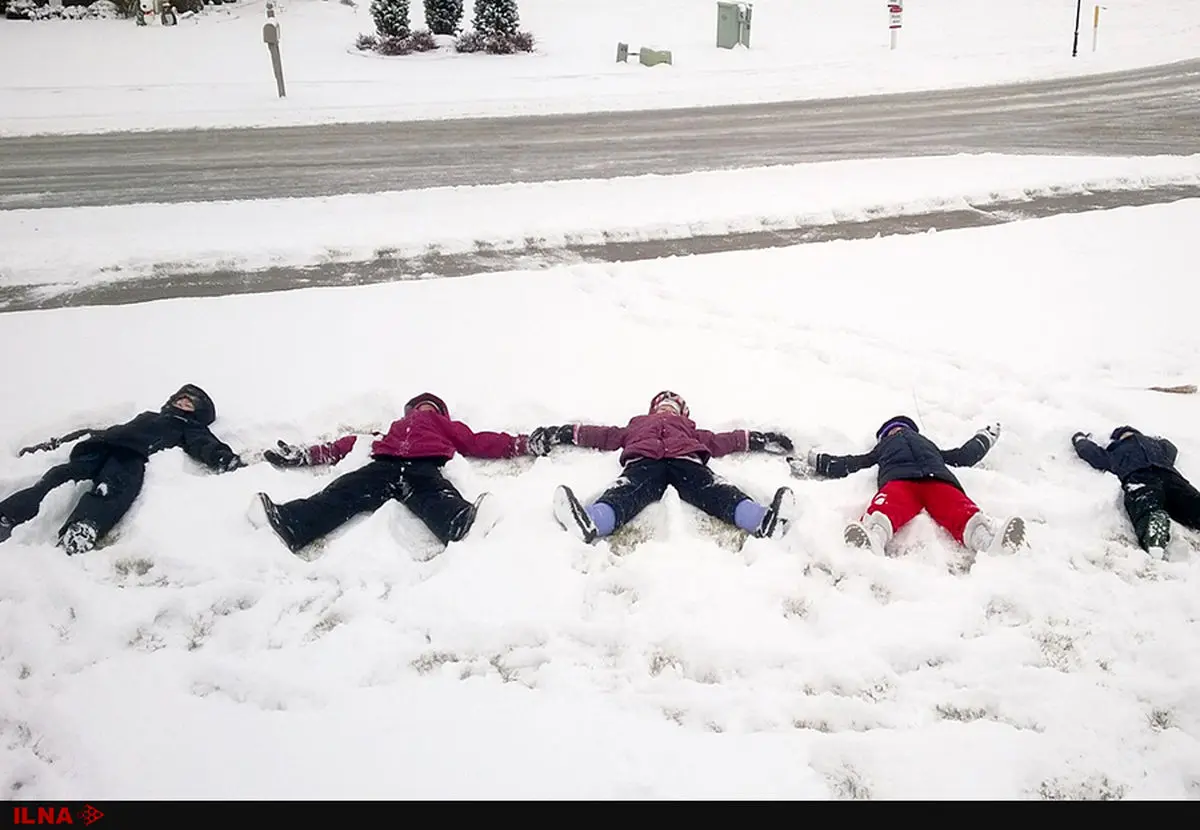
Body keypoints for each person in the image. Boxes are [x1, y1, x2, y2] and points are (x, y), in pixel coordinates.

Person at [253, 392, 530, 554]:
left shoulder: (444, 426)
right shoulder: (393, 429)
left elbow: (479, 441)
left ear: (440, 414)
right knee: (345, 489)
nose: (425, 409)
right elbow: (349, 444)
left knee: (433, 494)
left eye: (432, 408)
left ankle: (460, 522)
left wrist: (524, 443)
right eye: (420, 406)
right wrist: (305, 455)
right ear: (408, 412)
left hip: (424, 465)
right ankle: (293, 521)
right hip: (383, 466)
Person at [0, 384, 245, 555]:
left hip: (132, 455)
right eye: (181, 398)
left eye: (190, 403)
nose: (183, 402)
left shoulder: (188, 426)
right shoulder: (148, 415)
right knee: (56, 478)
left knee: (115, 489)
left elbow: (205, 444)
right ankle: (8, 514)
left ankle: (84, 527)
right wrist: (55, 443)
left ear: (199, 413)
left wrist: (224, 458)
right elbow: (102, 430)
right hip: (101, 447)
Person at [529, 390, 797, 543]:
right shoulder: (636, 425)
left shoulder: (689, 430)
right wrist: (562, 433)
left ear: (681, 414)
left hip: (685, 461)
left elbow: (721, 441)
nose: (667, 409)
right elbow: (602, 435)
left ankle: (762, 521)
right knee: (628, 490)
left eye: (672, 406)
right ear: (652, 410)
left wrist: (761, 439)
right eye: (662, 405)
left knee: (713, 489)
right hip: (645, 461)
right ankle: (591, 521)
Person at [800, 415, 1024, 555]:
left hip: (938, 480)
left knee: (962, 510)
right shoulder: (883, 448)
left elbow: (963, 456)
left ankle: (989, 543)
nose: (899, 431)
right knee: (884, 510)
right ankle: (872, 540)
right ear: (885, 436)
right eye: (893, 430)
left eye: (902, 428)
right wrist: (817, 460)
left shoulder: (928, 445)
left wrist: (984, 436)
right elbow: (852, 463)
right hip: (899, 482)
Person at [1071, 425, 1199, 559]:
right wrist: (1159, 440)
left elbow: (1092, 453)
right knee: (1187, 500)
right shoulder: (1154, 445)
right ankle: (1152, 528)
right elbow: (1171, 448)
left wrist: (1080, 439)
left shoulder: (1115, 451)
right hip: (1166, 475)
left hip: (1140, 477)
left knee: (1145, 503)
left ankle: (1152, 529)